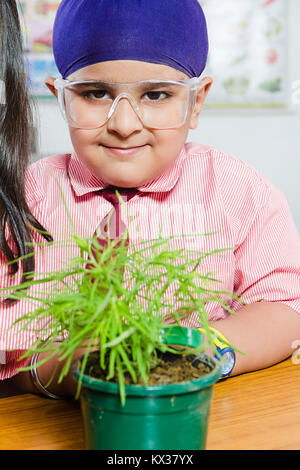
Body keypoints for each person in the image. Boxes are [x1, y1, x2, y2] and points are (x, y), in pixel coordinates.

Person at [1, 0, 300, 398]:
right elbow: (12, 354)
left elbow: (285, 304)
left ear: (197, 101)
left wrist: (202, 351)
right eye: (96, 93)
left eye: (156, 95)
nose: (124, 125)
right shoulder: (27, 198)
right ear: (61, 98)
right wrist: (74, 366)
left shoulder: (240, 191)